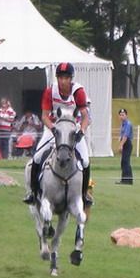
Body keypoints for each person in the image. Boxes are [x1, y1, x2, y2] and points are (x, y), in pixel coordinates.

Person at [23, 62, 92, 206]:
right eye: (60, 77)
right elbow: (44, 116)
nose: (63, 81)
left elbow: (86, 117)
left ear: (71, 79)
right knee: (36, 157)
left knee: (85, 161)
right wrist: (53, 129)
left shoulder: (78, 92)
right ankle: (33, 192)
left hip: (74, 130)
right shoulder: (50, 91)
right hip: (54, 128)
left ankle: (84, 194)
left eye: (66, 78)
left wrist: (82, 131)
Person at [117, 108, 134, 185]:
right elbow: (121, 135)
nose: (121, 116)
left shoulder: (128, 124)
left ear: (126, 116)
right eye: (120, 115)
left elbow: (125, 136)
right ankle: (124, 179)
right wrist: (120, 143)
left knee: (126, 162)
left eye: (123, 115)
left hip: (127, 143)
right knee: (123, 162)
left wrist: (121, 145)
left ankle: (128, 180)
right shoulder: (123, 124)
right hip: (124, 143)